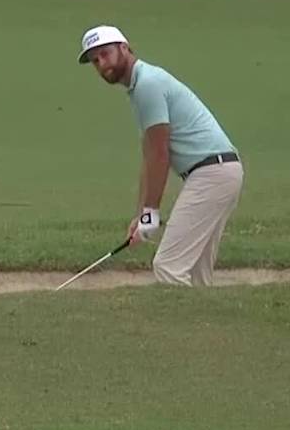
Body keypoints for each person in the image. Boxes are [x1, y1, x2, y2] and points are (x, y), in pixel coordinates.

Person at [77, 25, 244, 286]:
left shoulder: (147, 84)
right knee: (197, 273)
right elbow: (149, 156)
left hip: (212, 173)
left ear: (124, 47)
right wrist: (141, 214)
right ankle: (202, 324)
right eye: (95, 61)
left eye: (105, 54)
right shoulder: (140, 85)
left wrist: (151, 213)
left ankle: (176, 326)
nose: (101, 64)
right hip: (220, 171)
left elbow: (159, 154)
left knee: (168, 266)